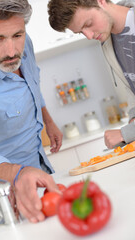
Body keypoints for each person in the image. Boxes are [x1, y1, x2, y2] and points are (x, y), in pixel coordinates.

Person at [0, 0, 63, 223]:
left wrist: (48, 120)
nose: (12, 51)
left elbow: (33, 83)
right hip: (6, 197)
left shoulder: (26, 45)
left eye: (17, 35)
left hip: (41, 173)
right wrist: (18, 173)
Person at [48, 0, 135, 149]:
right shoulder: (109, 42)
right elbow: (130, 86)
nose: (88, 36)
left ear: (100, 2)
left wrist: (127, 133)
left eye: (88, 24)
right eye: (81, 32)